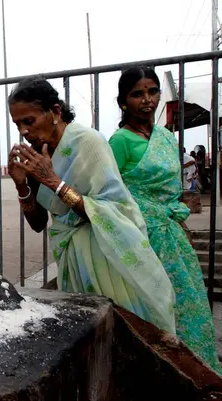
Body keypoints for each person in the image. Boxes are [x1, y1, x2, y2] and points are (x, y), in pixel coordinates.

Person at [7, 77, 175, 334]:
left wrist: (54, 182)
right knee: (85, 333)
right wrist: (22, 186)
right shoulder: (36, 156)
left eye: (28, 121)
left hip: (107, 255)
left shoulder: (88, 142)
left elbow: (111, 208)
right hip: (72, 259)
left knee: (122, 331)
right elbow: (38, 223)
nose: (23, 131)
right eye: (17, 124)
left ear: (55, 111)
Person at [109, 66, 220, 372]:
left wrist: (178, 219)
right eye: (137, 94)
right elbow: (108, 192)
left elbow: (173, 192)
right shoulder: (119, 142)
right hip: (138, 236)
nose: (147, 100)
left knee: (185, 304)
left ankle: (194, 370)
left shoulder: (166, 138)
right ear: (123, 101)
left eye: (153, 91)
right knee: (151, 309)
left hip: (170, 236)